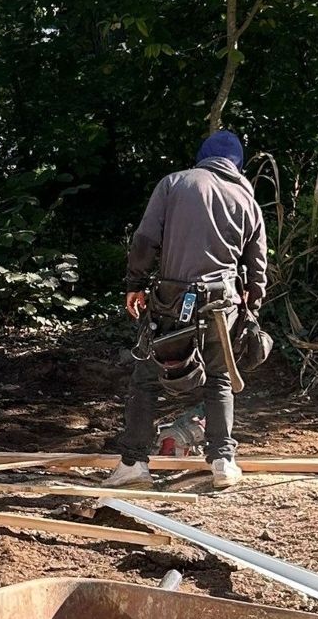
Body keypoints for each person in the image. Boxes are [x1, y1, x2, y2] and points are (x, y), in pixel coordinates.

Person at [104, 129, 268, 492]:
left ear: (203, 156)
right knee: (220, 379)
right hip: (222, 303)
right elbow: (258, 268)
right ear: (237, 164)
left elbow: (146, 239)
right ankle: (223, 461)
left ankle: (133, 465)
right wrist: (251, 309)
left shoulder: (175, 183)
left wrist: (134, 283)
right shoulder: (247, 199)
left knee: (146, 379)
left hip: (171, 301)